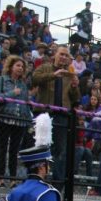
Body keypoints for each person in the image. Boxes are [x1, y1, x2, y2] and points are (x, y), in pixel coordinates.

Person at [32, 46, 79, 181]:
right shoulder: (45, 67)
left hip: (62, 116)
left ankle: (58, 182)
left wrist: (75, 87)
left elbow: (75, 98)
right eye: (61, 54)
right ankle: (38, 178)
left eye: (66, 55)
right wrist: (53, 75)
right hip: (44, 114)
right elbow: (35, 78)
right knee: (41, 146)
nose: (64, 57)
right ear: (55, 55)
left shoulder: (70, 74)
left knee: (60, 151)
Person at [0, 55, 33, 186]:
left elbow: (26, 103)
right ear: (10, 67)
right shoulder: (1, 80)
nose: (20, 68)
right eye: (18, 65)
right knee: (2, 148)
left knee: (15, 150)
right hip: (4, 118)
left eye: (22, 66)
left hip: (20, 120)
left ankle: (13, 179)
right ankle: (0, 178)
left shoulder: (23, 84)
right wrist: (12, 93)